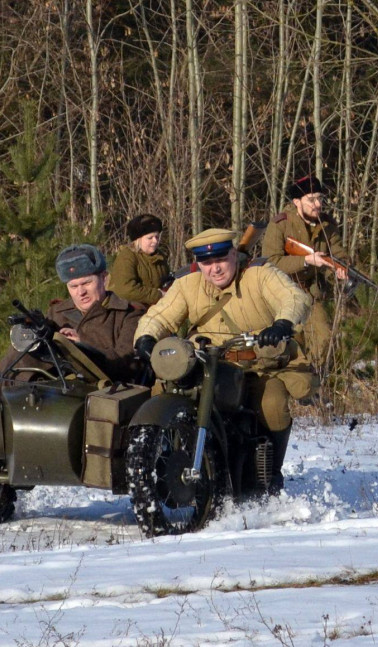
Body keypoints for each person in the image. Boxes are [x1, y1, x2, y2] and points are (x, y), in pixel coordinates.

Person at [133, 228, 318, 493]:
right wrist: (146, 338)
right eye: (206, 263)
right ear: (198, 263)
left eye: (221, 260)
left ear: (234, 254)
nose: (215, 269)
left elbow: (294, 297)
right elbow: (159, 316)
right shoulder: (187, 283)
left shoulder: (259, 273)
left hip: (257, 365)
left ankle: (270, 475)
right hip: (206, 365)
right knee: (162, 393)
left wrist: (282, 323)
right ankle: (161, 465)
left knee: (273, 404)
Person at [0, 244, 143, 396]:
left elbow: (127, 365)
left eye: (87, 283)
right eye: (73, 286)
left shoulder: (127, 315)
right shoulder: (58, 312)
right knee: (22, 348)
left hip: (99, 393)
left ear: (104, 278)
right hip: (52, 390)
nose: (81, 292)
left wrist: (82, 344)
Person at [261, 174, 348, 368]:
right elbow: (271, 263)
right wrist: (306, 261)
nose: (317, 204)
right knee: (287, 343)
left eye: (319, 198)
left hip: (311, 293)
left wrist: (339, 269)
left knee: (323, 337)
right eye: (311, 199)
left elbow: (337, 253)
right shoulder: (280, 224)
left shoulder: (327, 224)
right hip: (281, 293)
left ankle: (312, 380)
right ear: (297, 202)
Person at [109, 214, 169, 308]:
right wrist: (158, 295)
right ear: (138, 239)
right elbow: (125, 289)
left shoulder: (160, 256)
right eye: (150, 238)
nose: (155, 241)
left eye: (157, 237)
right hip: (131, 313)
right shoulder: (127, 257)